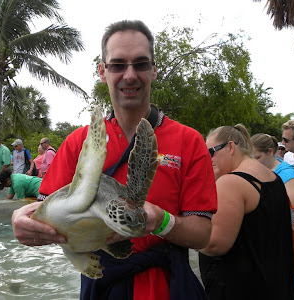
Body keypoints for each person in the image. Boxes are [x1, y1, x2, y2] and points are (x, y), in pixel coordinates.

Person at [12, 20, 217, 300]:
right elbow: (47, 214)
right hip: (103, 284)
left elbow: (203, 235)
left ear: (154, 70)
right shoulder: (78, 143)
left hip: (166, 283)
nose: (130, 75)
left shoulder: (189, 140)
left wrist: (159, 220)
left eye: (141, 64)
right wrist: (23, 222)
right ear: (102, 71)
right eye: (118, 65)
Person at [198, 124, 294, 300]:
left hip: (240, 288)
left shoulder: (231, 183)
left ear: (230, 147)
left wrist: (182, 230)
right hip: (274, 284)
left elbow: (214, 245)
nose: (208, 158)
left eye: (211, 152)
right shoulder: (273, 177)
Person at [251, 133, 294, 208]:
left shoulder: (290, 177)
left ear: (270, 152)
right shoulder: (259, 170)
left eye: (257, 157)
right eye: (250, 158)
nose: (252, 162)